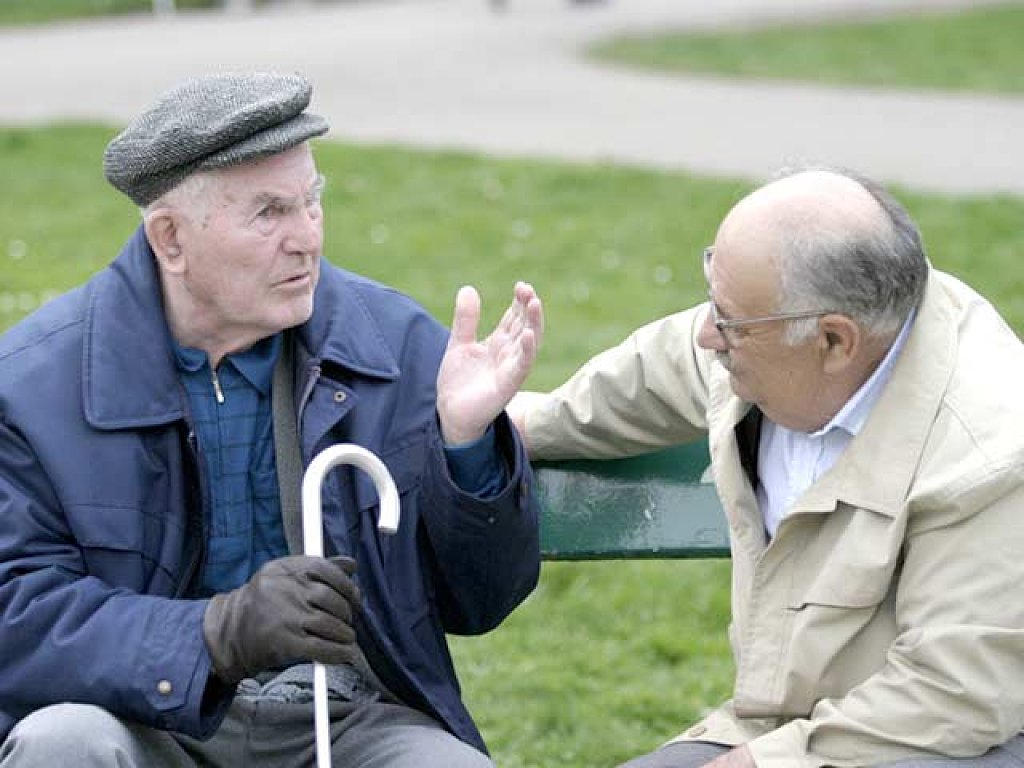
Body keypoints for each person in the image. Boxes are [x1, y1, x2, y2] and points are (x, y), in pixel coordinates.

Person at [0, 71, 544, 768]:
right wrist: (217, 633)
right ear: (170, 239)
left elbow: (482, 602)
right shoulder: (31, 387)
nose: (306, 238)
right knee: (63, 746)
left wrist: (468, 450)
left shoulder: (394, 345)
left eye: (311, 201)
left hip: (347, 714)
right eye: (268, 213)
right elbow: (17, 617)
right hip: (141, 712)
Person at [509, 167, 1024, 767]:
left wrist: (760, 762)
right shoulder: (779, 338)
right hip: (777, 727)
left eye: (727, 321)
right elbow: (654, 373)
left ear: (835, 341)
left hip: (949, 744)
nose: (707, 334)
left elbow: (954, 694)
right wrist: (519, 425)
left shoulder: (989, 455)